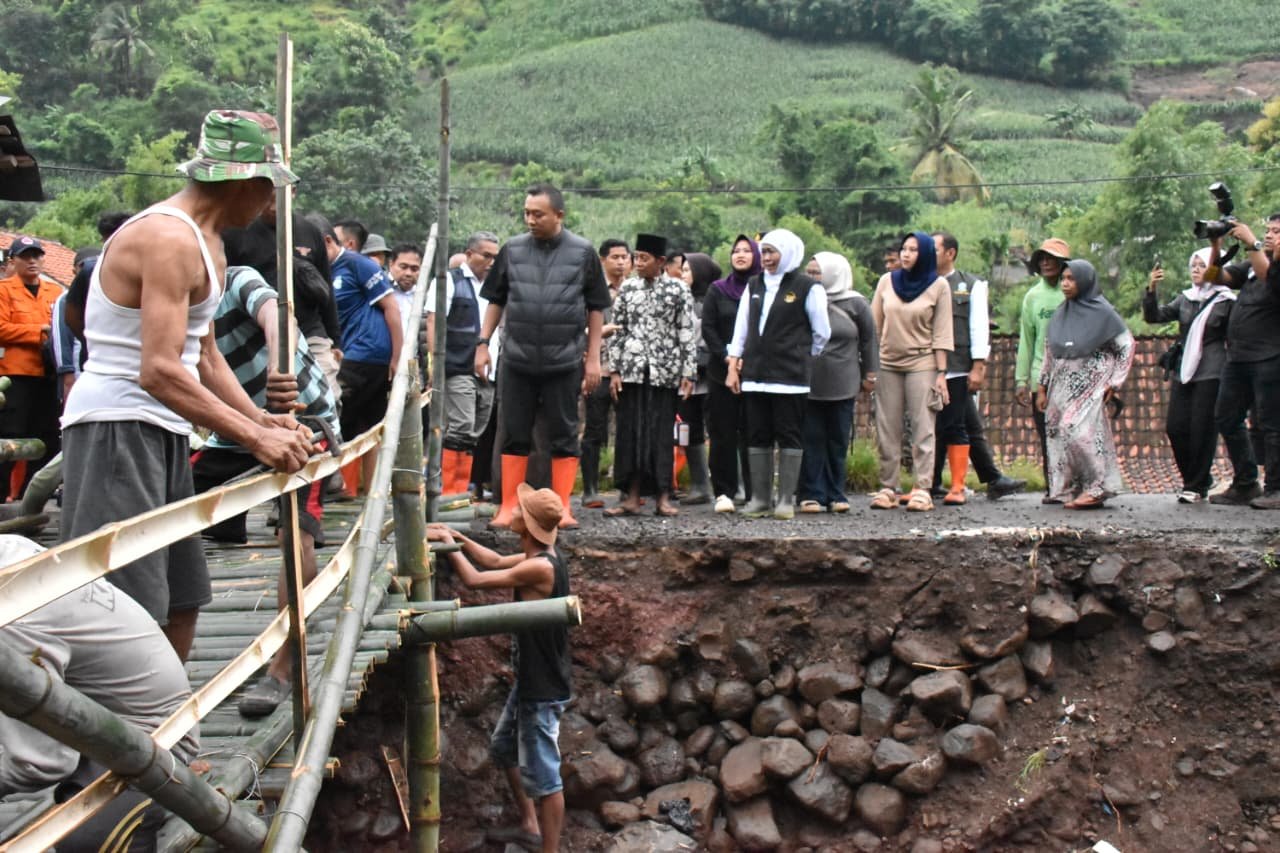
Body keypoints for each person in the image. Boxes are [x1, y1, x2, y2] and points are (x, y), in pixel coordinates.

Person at [60, 110, 314, 662]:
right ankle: (113, 747)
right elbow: (159, 369)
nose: (270, 204)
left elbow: (202, 351)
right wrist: (254, 440)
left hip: (165, 431)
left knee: (182, 597)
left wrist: (259, 418)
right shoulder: (168, 238)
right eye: (268, 188)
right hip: (118, 428)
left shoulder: (211, 243)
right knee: (120, 604)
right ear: (241, 180)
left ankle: (167, 738)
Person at [188, 262, 341, 717]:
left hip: (301, 417)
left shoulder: (236, 279)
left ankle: (284, 664)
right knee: (167, 507)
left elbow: (279, 315)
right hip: (233, 426)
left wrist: (281, 367)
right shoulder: (172, 297)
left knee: (295, 533)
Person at [0, 535, 202, 851]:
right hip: (86, 716)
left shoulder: (10, 613)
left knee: (85, 841)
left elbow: (47, 762)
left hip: (150, 739)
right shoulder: (9, 549)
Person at [426, 485, 572, 853]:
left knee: (547, 779)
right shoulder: (541, 556)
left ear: (528, 525)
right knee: (505, 748)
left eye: (520, 511)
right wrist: (456, 537)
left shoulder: (539, 568)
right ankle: (529, 824)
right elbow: (491, 561)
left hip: (542, 688)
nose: (514, 512)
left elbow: (475, 579)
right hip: (532, 681)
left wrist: (448, 546)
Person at [476, 183, 610, 529]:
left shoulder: (583, 252)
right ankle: (508, 505)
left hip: (565, 360)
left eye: (538, 214)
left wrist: (592, 358)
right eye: (527, 213)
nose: (530, 220)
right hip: (517, 358)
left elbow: (596, 308)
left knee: (564, 432)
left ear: (559, 215)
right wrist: (483, 342)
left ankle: (562, 505)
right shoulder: (512, 249)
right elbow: (496, 299)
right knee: (514, 432)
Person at [725, 228, 830, 520]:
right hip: (755, 375)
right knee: (756, 433)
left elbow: (822, 332)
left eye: (772, 252)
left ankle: (785, 499)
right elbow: (741, 328)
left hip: (790, 377)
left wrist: (801, 354)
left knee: (789, 434)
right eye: (765, 252)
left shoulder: (808, 287)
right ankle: (759, 498)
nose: (767, 258)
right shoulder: (755, 284)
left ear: (788, 253)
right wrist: (734, 363)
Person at [602, 233, 697, 517]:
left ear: (661, 261)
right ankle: (630, 497)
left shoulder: (678, 291)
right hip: (631, 372)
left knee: (660, 435)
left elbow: (686, 332)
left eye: (644, 258)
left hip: (664, 372)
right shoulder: (628, 289)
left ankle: (663, 498)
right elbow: (616, 332)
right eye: (636, 257)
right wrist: (615, 370)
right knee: (630, 433)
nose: (637, 263)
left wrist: (688, 372)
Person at [931, 231, 1026, 504]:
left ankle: (954, 482)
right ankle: (990, 478)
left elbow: (978, 325)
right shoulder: (919, 283)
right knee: (956, 423)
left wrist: (978, 365)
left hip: (958, 366)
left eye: (934, 249)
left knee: (954, 423)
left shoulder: (970, 284)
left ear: (950, 253)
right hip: (927, 366)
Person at [1036, 259, 1134, 509]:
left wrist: (1115, 381)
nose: (1066, 284)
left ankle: (1097, 486)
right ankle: (1067, 487)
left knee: (1076, 429)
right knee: (1056, 429)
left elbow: (1126, 345)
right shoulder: (1061, 313)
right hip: (1062, 382)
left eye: (1071, 279)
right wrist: (1042, 386)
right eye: (1064, 279)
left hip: (1091, 382)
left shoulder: (1104, 312)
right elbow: (1050, 352)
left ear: (1085, 281)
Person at [869, 231, 953, 512]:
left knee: (922, 427)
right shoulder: (886, 282)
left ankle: (922, 487)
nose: (905, 254)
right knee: (887, 427)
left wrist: (941, 373)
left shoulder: (939, 285)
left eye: (913, 249)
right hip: (888, 362)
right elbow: (874, 327)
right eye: (904, 249)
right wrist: (870, 366)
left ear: (926, 254)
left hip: (922, 362)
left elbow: (942, 333)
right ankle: (887, 487)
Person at [321, 213, 403, 495]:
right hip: (353, 353)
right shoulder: (327, 270)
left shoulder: (358, 264)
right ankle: (364, 492)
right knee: (367, 425)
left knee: (333, 413)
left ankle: (332, 486)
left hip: (364, 354)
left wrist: (397, 357)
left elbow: (392, 308)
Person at [1144, 247, 1234, 503]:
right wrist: (1151, 290)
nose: (1195, 269)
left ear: (1215, 269)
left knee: (1202, 428)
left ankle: (1194, 486)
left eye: (1201, 265)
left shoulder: (1226, 301)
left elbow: (1235, 336)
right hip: (1185, 370)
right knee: (1176, 427)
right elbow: (1154, 316)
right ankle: (1200, 479)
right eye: (1193, 265)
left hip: (1213, 369)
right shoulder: (1185, 299)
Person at [797, 251, 877, 513]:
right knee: (811, 437)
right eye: (808, 272)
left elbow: (868, 341)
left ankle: (836, 493)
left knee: (838, 438)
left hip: (843, 382)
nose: (811, 277)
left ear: (833, 273)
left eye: (816, 272)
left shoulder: (856, 304)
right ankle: (811, 493)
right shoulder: (803, 299)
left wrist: (870, 374)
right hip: (808, 381)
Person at [1209, 216, 1280, 508]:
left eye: (1277, 231)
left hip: (1271, 357)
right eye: (1268, 231)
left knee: (1272, 424)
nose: (1271, 235)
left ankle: (1276, 489)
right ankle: (1246, 482)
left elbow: (1270, 277)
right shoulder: (1253, 266)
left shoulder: (1268, 268)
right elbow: (1215, 277)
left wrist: (1253, 242)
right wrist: (1216, 244)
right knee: (1226, 416)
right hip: (1238, 357)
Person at [426, 231, 501, 497]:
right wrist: (435, 364)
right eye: (486, 255)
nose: (492, 262)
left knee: (473, 432)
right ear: (470, 255)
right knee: (460, 426)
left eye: (495, 256)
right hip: (458, 367)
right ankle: (448, 494)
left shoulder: (496, 286)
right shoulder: (448, 282)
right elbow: (435, 322)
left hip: (490, 372)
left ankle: (459, 493)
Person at [0, 235, 62, 499]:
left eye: (36, 255)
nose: (32, 261)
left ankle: (30, 500)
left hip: (48, 378)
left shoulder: (56, 292)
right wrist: (40, 331)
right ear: (13, 261)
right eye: (26, 256)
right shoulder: (4, 290)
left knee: (47, 439)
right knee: (12, 437)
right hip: (16, 377)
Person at [703, 235, 760, 513]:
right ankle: (723, 492)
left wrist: (745, 360)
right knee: (722, 432)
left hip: (755, 371)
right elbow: (709, 329)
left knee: (753, 432)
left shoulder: (763, 288)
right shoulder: (718, 290)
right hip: (720, 371)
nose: (740, 255)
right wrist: (728, 359)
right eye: (736, 250)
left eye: (747, 251)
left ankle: (754, 492)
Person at [1014, 238, 1070, 502]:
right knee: (1048, 435)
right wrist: (1021, 380)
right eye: (1042, 259)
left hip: (1071, 376)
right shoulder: (1033, 297)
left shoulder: (1074, 292)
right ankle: (1054, 487)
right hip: (1041, 379)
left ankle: (1077, 484)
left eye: (1052, 258)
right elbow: (1026, 341)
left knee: (1073, 434)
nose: (1046, 262)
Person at [580, 239, 630, 509]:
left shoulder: (634, 290)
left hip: (626, 372)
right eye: (615, 257)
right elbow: (578, 329)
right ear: (602, 260)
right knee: (594, 430)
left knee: (626, 429)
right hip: (597, 369)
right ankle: (589, 489)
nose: (621, 262)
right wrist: (599, 333)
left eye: (625, 256)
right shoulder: (590, 291)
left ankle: (625, 489)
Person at [677, 252, 721, 505]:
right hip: (685, 380)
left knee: (716, 429)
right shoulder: (682, 300)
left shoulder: (709, 303)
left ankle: (724, 483)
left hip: (708, 376)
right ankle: (699, 483)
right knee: (688, 430)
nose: (682, 275)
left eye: (686, 270)